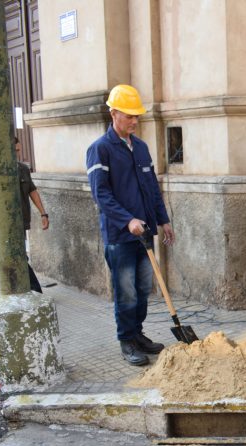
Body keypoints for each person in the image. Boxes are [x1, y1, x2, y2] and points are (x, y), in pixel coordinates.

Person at [86, 84, 175, 366]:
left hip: (145, 231)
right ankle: (127, 340)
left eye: (137, 116)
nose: (135, 121)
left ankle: (138, 334)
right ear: (113, 114)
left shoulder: (141, 148)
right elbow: (102, 195)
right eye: (129, 116)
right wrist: (128, 220)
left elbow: (151, 188)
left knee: (143, 287)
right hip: (120, 236)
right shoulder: (100, 149)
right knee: (125, 290)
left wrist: (163, 219)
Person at [0, 136, 49, 296]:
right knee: (13, 256)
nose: (17, 154)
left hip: (21, 222)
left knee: (15, 255)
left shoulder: (23, 169)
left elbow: (33, 191)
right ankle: (32, 289)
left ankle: (2, 292)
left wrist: (43, 213)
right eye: (14, 150)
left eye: (18, 150)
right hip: (3, 225)